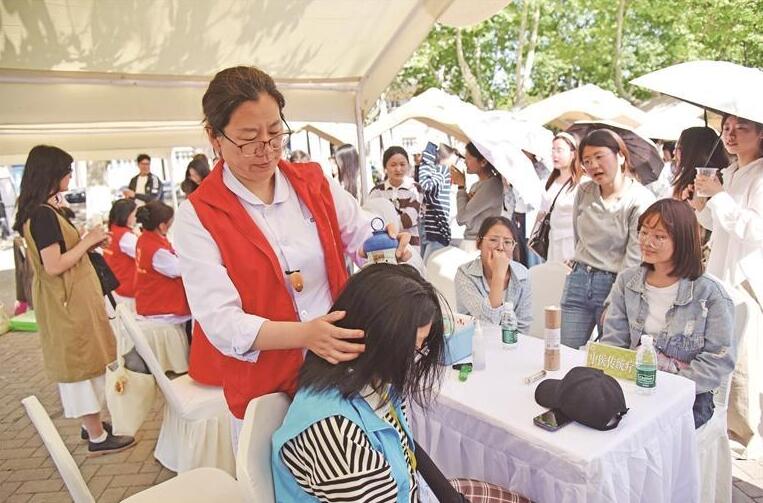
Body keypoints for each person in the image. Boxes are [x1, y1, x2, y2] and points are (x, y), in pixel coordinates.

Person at [173, 66, 413, 438]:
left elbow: (361, 232)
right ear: (214, 137)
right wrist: (304, 335)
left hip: (339, 371)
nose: (266, 149)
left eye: (275, 133)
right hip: (266, 391)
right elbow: (221, 321)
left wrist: (386, 239)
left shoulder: (312, 182)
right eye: (248, 139)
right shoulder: (198, 216)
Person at [273, 264, 530, 503]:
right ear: (378, 338)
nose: (415, 359)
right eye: (413, 346)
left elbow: (409, 454)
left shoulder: (373, 382)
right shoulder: (337, 436)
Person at [13, 145, 134, 454]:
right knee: (79, 365)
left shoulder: (43, 210)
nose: (69, 176)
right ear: (51, 173)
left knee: (85, 360)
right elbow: (54, 265)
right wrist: (87, 241)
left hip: (67, 299)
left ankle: (91, 425)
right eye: (66, 171)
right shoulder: (43, 214)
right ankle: (96, 436)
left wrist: (82, 241)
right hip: (66, 301)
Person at [601, 199, 736, 429]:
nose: (647, 242)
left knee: (648, 431)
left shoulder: (710, 294)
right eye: (644, 232)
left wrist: (668, 386)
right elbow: (613, 342)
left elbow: (718, 360)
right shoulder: (627, 281)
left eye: (659, 236)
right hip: (634, 383)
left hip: (689, 395)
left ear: (682, 240)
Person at [690, 114, 763, 448]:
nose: (730, 135)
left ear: (760, 134)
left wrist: (718, 196)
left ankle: (746, 434)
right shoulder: (730, 172)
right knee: (722, 348)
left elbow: (754, 229)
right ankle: (724, 423)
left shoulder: (759, 175)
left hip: (745, 275)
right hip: (720, 272)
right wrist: (700, 203)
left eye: (741, 129)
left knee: (744, 354)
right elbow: (715, 223)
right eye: (727, 128)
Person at [560, 129, 655, 349]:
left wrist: (615, 300)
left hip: (615, 282)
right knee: (566, 352)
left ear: (620, 156)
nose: (593, 165)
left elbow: (634, 257)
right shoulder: (584, 191)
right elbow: (578, 237)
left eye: (599, 157)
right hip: (579, 279)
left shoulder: (640, 199)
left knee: (610, 357)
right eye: (586, 161)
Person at [455, 216, 531, 333]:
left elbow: (523, 328)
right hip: (474, 341)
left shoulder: (522, 274)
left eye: (507, 242)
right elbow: (487, 324)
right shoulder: (465, 274)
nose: (500, 247)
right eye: (493, 240)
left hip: (512, 342)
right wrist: (498, 275)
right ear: (479, 243)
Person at [134, 201, 191, 323]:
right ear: (162, 226)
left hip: (153, 304)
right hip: (163, 310)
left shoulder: (145, 239)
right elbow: (182, 269)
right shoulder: (157, 251)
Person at [534, 132, 583, 263]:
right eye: (553, 150)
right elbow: (543, 211)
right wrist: (535, 233)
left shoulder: (582, 183)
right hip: (553, 242)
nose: (555, 154)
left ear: (573, 154)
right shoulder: (551, 181)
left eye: (559, 150)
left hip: (571, 245)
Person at [451, 142, 504, 250]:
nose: (465, 161)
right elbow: (463, 219)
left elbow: (461, 218)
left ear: (483, 162)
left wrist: (461, 186)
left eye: (468, 158)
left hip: (480, 245)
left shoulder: (492, 186)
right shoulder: (477, 185)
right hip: (473, 242)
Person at [368, 146, 424, 249]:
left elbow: (408, 219)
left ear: (408, 165)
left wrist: (384, 225)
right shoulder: (376, 192)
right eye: (393, 165)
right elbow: (371, 219)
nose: (398, 169)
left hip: (410, 247)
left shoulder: (416, 189)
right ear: (385, 167)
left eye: (402, 164)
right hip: (384, 248)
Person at [672, 127, 729, 201]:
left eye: (679, 148)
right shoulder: (689, 178)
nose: (674, 152)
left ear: (693, 152)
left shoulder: (709, 182)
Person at [418, 142, 453, 262]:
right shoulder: (440, 170)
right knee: (426, 266)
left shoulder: (441, 170)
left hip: (435, 228)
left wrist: (426, 162)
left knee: (426, 267)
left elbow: (426, 185)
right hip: (432, 228)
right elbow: (426, 186)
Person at [103, 198, 138, 300]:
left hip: (116, 287)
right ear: (126, 215)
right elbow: (146, 255)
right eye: (134, 213)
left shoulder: (112, 232)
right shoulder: (125, 237)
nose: (136, 217)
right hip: (129, 289)